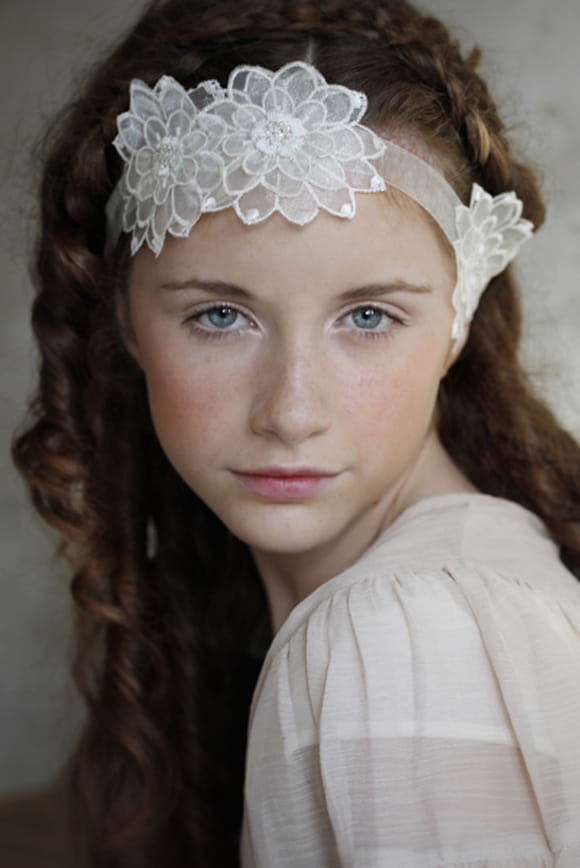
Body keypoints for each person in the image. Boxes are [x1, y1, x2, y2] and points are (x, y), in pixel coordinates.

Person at [11, 0, 580, 865]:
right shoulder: (424, 591)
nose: (291, 411)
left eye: (369, 315)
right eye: (219, 315)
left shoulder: (392, 633)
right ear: (123, 319)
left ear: (457, 321)